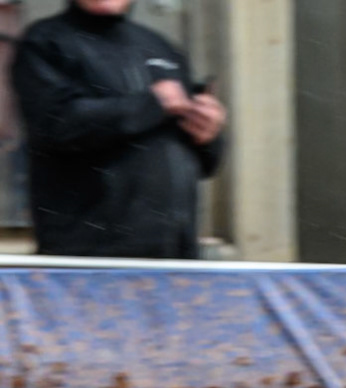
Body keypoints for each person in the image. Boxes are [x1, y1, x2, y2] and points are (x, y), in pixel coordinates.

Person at [11, 0, 225, 259]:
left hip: (175, 257)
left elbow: (206, 163)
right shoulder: (46, 42)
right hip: (87, 259)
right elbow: (57, 124)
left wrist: (208, 133)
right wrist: (151, 104)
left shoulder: (159, 46)